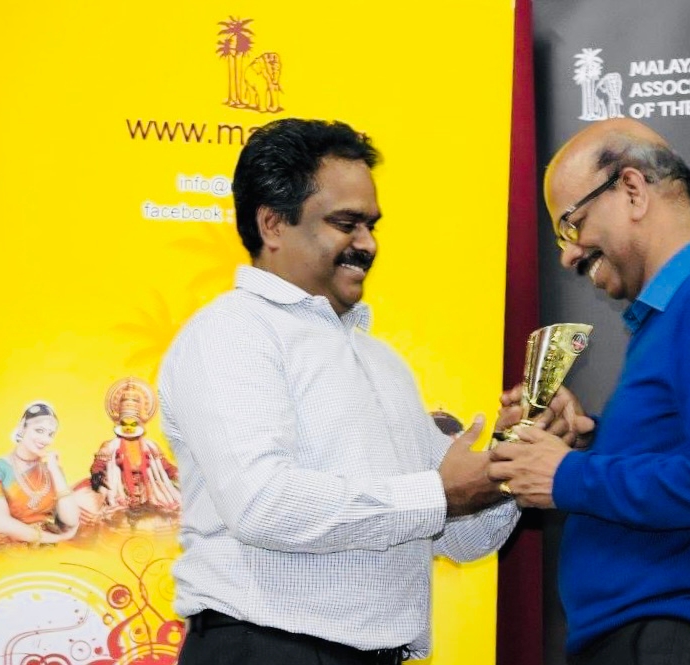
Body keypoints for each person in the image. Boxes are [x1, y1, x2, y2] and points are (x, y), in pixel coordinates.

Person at [159, 118, 518, 665]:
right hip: (266, 650)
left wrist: (513, 458)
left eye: (371, 225)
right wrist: (438, 494)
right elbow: (262, 504)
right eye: (346, 224)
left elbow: (460, 539)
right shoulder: (230, 332)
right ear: (273, 224)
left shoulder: (382, 361)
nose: (368, 244)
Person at [490, 118, 690, 665]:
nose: (567, 254)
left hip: (673, 638)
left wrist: (567, 475)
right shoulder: (679, 311)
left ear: (632, 190)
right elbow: (688, 453)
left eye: (572, 224)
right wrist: (589, 440)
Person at [75, 377, 181, 534]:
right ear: (119, 423)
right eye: (125, 424)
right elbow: (98, 466)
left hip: (149, 492)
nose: (129, 428)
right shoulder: (110, 446)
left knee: (170, 517)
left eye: (133, 424)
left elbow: (166, 467)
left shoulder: (151, 446)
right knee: (89, 512)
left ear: (140, 424)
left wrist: (179, 475)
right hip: (117, 490)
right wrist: (98, 477)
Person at [0, 402, 80, 549]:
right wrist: (58, 537)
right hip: (10, 547)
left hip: (49, 547)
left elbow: (71, 519)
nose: (45, 439)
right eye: (39, 430)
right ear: (22, 428)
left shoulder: (51, 469)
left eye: (50, 434)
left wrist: (55, 469)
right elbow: (1, 523)